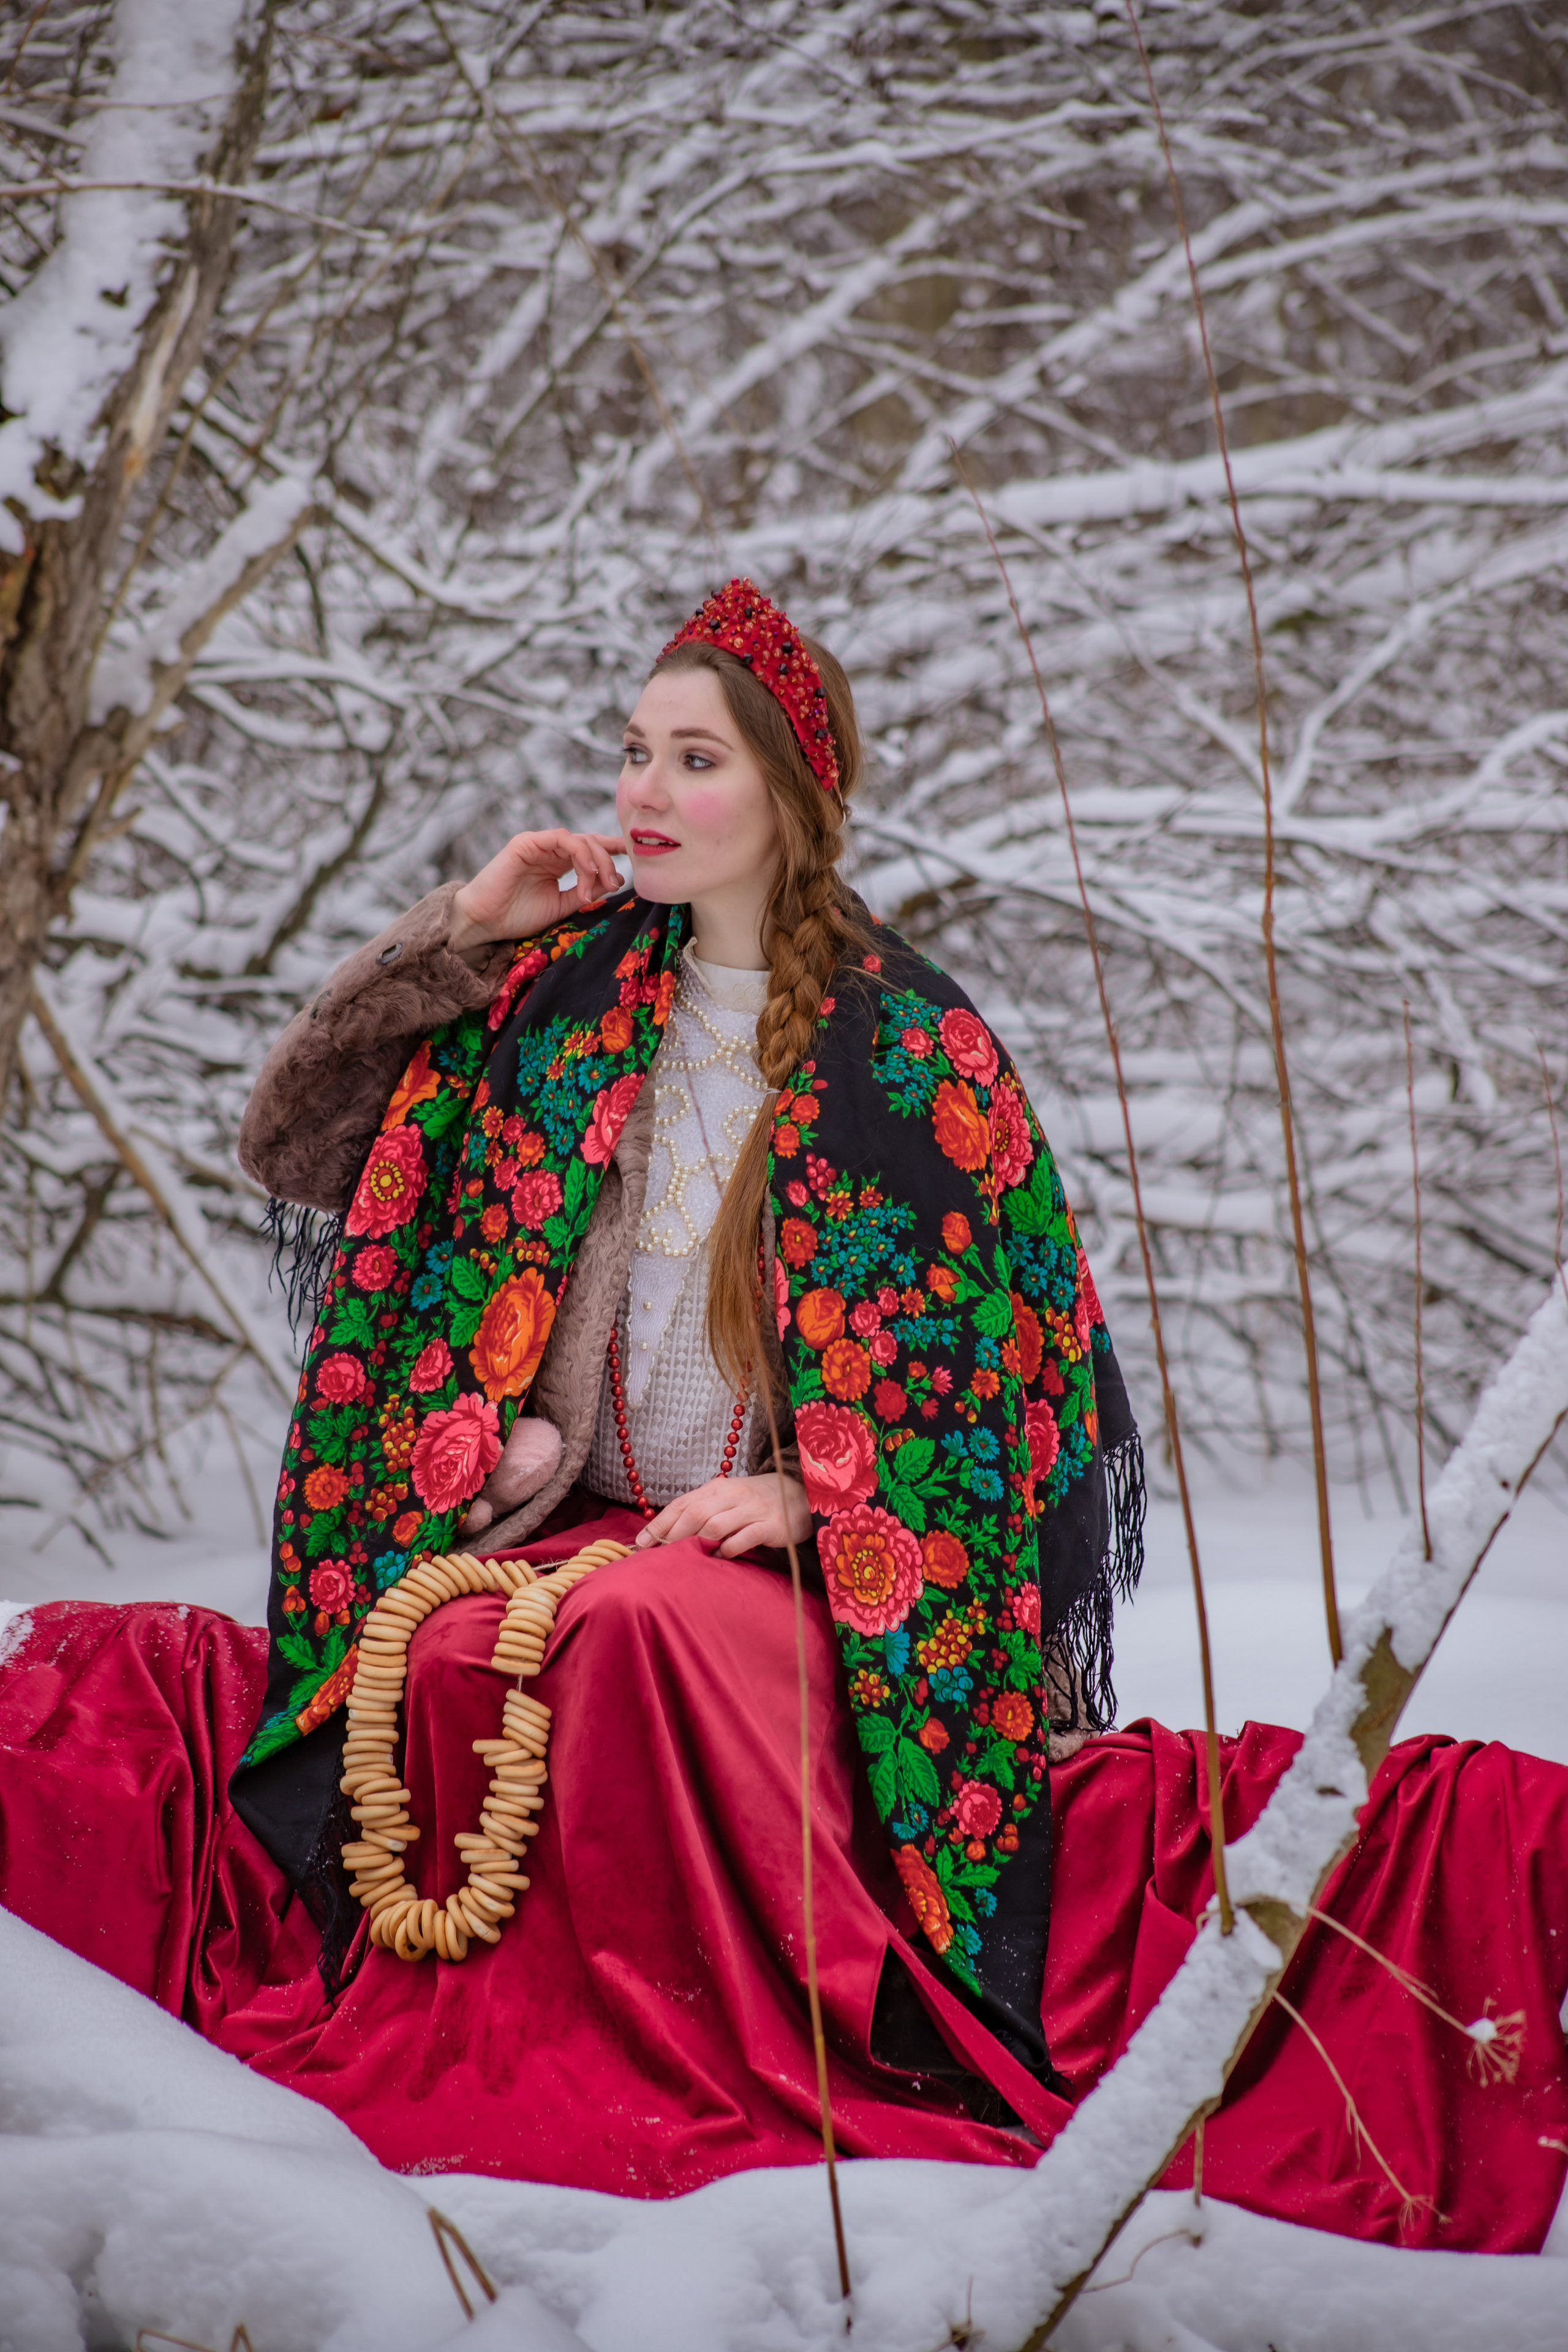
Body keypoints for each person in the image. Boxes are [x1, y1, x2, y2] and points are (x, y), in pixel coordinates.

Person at [1, 583, 1564, 2249]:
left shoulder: (907, 1052)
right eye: (634, 756)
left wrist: (819, 1513)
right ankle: (481, 2036)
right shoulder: (562, 1001)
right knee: (442, 1655)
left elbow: (1004, 1394)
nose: (646, 796)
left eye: (695, 760)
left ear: (788, 798)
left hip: (825, 1591)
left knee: (648, 1638)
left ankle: (690, 2064)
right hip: (575, 1537)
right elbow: (300, 1146)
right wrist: (462, 934)